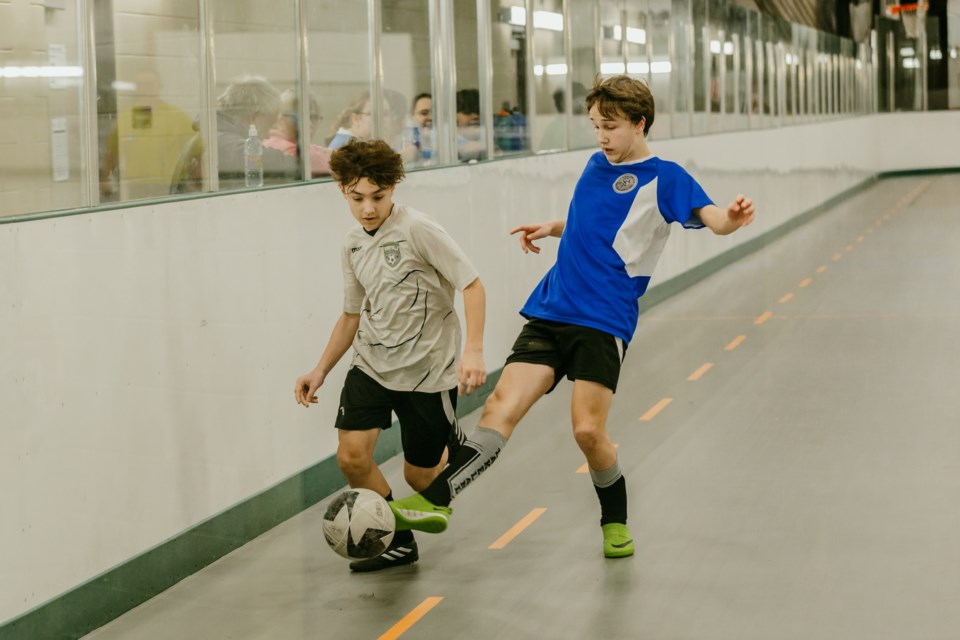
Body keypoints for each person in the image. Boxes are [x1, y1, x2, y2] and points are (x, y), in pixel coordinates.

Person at [388, 74, 756, 559]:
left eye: (610, 126)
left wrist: (733, 217)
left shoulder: (666, 177)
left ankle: (615, 519)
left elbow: (713, 220)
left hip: (604, 320)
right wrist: (554, 226)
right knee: (501, 407)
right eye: (595, 126)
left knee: (587, 431)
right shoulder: (594, 165)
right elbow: (594, 224)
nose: (601, 136)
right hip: (553, 308)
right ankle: (438, 502)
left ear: (640, 123)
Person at [294, 139, 487, 572]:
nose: (367, 208)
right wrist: (321, 369)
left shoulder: (418, 229)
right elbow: (350, 314)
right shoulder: (352, 244)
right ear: (341, 189)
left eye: (378, 197)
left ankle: (452, 446)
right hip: (372, 365)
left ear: (394, 188)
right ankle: (397, 541)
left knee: (420, 477)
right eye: (356, 197)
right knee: (352, 457)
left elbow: (472, 285)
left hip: (427, 373)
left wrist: (472, 351)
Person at [169, 75, 298, 193]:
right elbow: (279, 164)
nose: (267, 136)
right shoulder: (223, 144)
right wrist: (307, 163)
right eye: (269, 125)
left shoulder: (214, 136)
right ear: (255, 117)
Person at [100, 69, 195, 201]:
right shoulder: (125, 118)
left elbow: (196, 150)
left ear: (159, 87)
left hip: (170, 185)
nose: (145, 89)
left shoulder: (177, 116)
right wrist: (105, 179)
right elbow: (111, 153)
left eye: (150, 84)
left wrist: (197, 182)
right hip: (136, 187)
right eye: (141, 85)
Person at [264, 90, 331, 176]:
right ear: (279, 120)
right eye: (301, 117)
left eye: (314, 117)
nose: (309, 124)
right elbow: (309, 160)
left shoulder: (292, 143)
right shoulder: (279, 146)